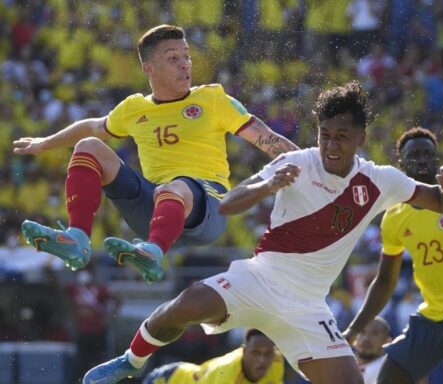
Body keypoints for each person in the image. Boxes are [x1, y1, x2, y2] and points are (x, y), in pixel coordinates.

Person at [82, 81, 443, 384]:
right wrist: (268, 185)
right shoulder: (296, 162)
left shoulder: (381, 180)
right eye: (324, 134)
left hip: (308, 307)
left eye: (341, 136)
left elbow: (441, 202)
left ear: (361, 138)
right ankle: (130, 362)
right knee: (184, 307)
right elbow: (229, 203)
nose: (331, 145)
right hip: (260, 279)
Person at [13, 24, 298, 282]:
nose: (185, 64)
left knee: (175, 187)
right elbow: (92, 126)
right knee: (88, 147)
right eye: (173, 58)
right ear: (149, 67)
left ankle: (152, 253)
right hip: (153, 208)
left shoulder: (213, 99)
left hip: (208, 209)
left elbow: (267, 139)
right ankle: (76, 240)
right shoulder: (134, 108)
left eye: (186, 56)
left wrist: (316, 166)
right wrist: (45, 142)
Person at [343, 127, 443, 383]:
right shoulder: (394, 217)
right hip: (434, 316)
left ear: (437, 160)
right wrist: (353, 330)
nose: (421, 160)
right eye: (413, 155)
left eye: (427, 154)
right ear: (401, 164)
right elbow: (385, 282)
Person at [142, 328, 284, 384]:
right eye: (256, 353)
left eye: (268, 354)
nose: (262, 360)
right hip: (167, 380)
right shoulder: (227, 376)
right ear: (244, 351)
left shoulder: (277, 360)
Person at [354, 317, 391, 384]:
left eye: (375, 333)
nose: (366, 339)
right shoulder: (342, 366)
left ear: (387, 341)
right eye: (362, 332)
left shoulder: (390, 371)